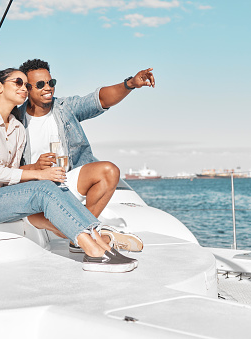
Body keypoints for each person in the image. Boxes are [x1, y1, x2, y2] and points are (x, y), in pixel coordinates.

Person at [0, 68, 137, 273]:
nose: (24, 88)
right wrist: (38, 173)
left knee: (52, 187)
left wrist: (38, 172)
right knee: (43, 187)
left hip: (2, 199)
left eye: (25, 84)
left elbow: (11, 173)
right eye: (18, 83)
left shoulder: (18, 129)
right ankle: (94, 252)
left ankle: (98, 240)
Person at [15, 59, 155, 253]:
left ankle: (82, 234)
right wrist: (36, 168)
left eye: (51, 82)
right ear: (27, 88)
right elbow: (5, 168)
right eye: (40, 85)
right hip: (35, 191)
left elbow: (100, 99)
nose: (48, 88)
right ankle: (95, 235)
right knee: (45, 218)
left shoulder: (64, 108)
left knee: (109, 171)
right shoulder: (15, 120)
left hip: (66, 183)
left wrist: (129, 84)